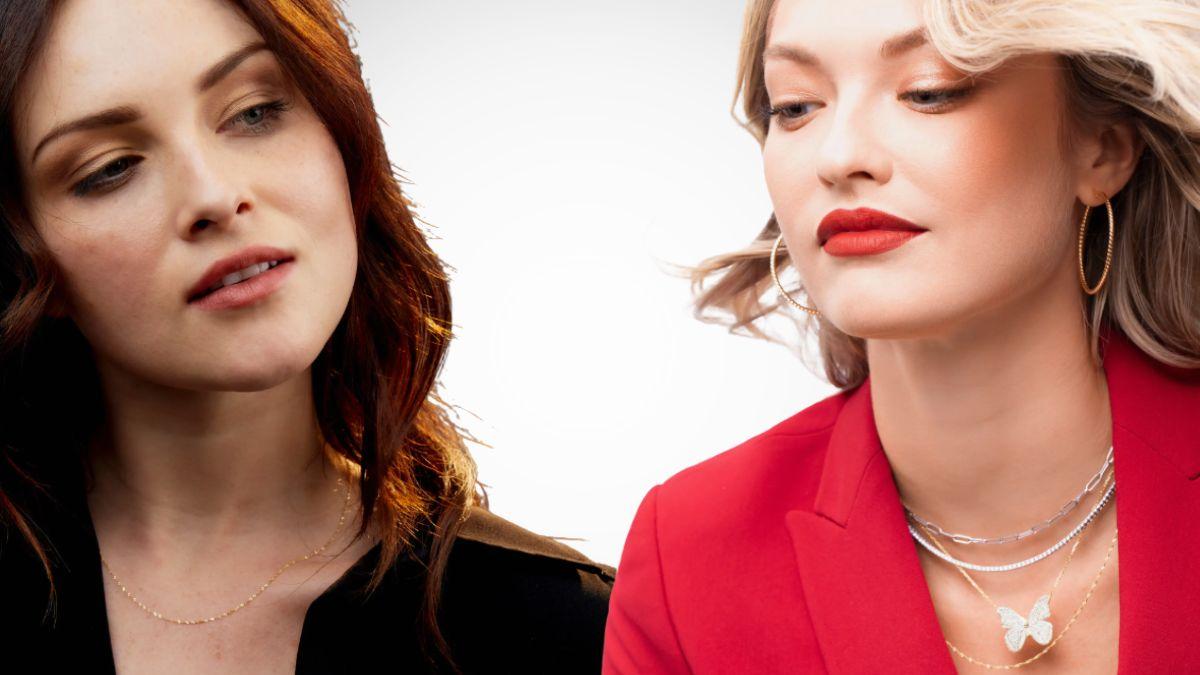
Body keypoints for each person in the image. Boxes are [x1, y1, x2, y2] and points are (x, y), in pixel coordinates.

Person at [0, 1, 612, 673]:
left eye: (256, 111)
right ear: (22, 250)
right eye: (110, 167)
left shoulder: (563, 628)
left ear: (344, 134)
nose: (214, 193)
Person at [604, 0, 1200, 672]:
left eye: (928, 91)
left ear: (1105, 147)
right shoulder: (689, 562)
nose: (840, 156)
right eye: (796, 106)